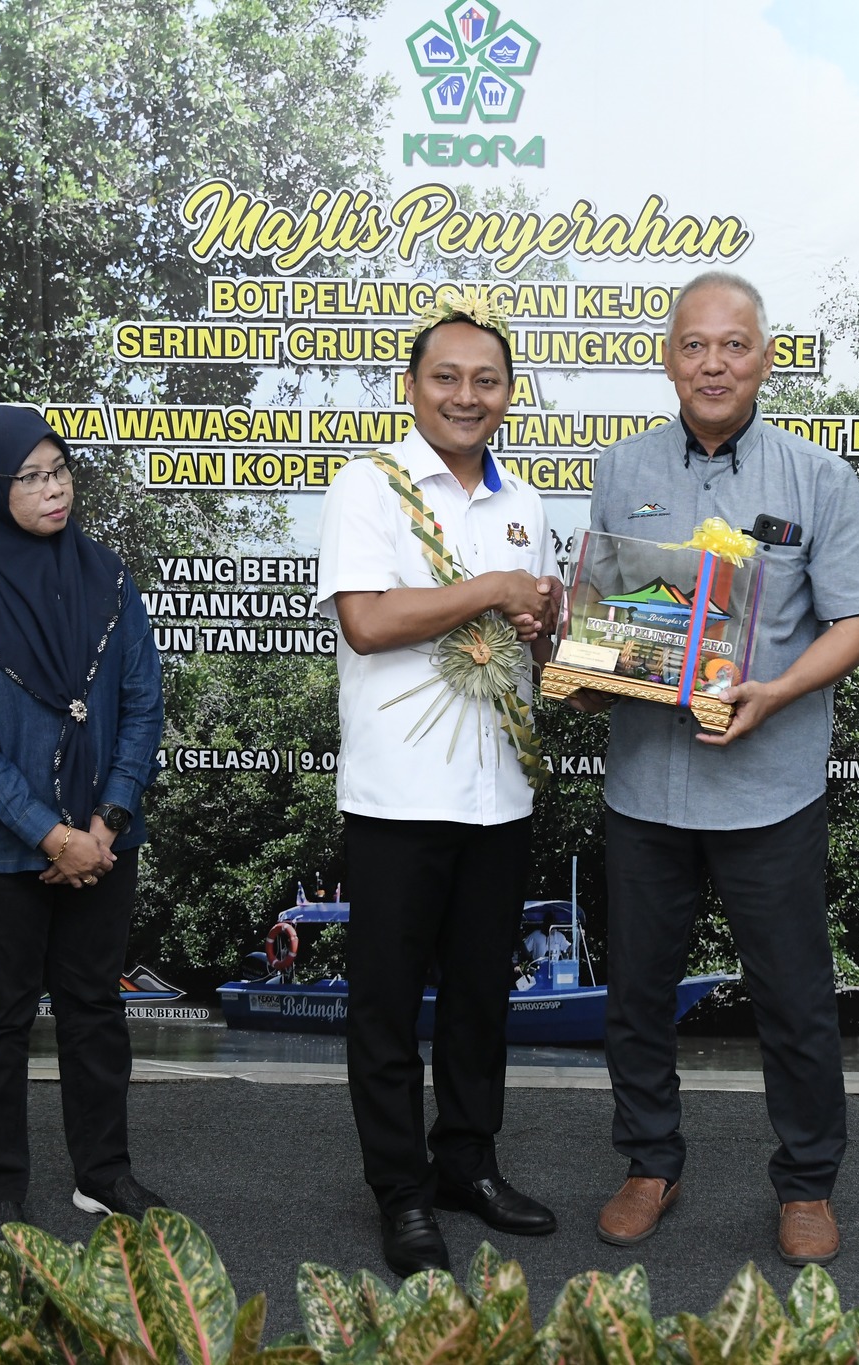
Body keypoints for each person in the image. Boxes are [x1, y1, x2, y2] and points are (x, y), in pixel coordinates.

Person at [576, 271, 859, 1266]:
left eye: (733, 345)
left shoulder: (815, 476)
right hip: (645, 787)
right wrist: (586, 672)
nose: (713, 364)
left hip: (769, 791)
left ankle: (806, 1183)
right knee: (636, 994)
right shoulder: (620, 469)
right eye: (693, 345)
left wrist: (777, 693)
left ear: (765, 357)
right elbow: (604, 620)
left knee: (792, 1001)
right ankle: (648, 1164)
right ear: (668, 358)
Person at [316, 293, 561, 1276]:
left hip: (500, 794)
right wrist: (494, 590)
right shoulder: (368, 486)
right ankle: (401, 1192)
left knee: (478, 999)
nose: (467, 396)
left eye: (486, 380)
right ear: (409, 388)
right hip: (396, 798)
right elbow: (367, 622)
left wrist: (565, 638)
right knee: (384, 1009)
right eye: (446, 377)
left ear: (509, 394)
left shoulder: (525, 504)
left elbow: (536, 652)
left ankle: (466, 1162)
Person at [0, 406, 165, 1242]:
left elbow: (142, 703)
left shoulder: (108, 576)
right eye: (29, 477)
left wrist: (107, 820)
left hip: (104, 834)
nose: (53, 489)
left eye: (59, 470)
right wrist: (50, 834)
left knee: (95, 1005)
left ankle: (105, 1172)